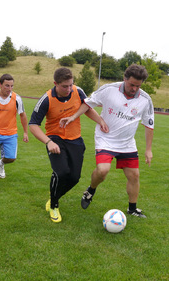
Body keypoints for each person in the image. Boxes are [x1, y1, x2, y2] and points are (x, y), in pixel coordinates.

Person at [60, 64, 154, 218]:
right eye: (131, 84)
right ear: (124, 78)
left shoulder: (145, 99)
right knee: (103, 171)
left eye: (138, 85)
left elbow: (149, 125)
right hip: (106, 138)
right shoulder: (109, 89)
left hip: (127, 143)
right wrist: (73, 117)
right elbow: (88, 103)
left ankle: (132, 209)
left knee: (134, 176)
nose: (134, 88)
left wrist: (148, 149)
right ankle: (91, 190)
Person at [29, 68, 108, 223]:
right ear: (55, 84)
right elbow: (33, 124)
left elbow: (87, 109)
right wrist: (48, 142)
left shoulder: (78, 91)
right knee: (62, 172)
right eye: (64, 86)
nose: (68, 89)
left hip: (75, 139)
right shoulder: (46, 99)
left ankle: (53, 197)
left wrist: (101, 121)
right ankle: (54, 205)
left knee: (74, 178)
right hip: (55, 138)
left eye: (70, 85)